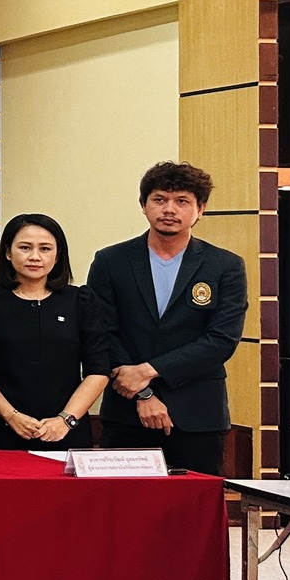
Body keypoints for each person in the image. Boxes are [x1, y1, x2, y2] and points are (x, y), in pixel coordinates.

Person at [86, 160, 247, 474]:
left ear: (200, 209)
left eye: (182, 201)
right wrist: (143, 393)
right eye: (159, 199)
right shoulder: (110, 261)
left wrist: (147, 371)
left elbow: (220, 341)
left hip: (197, 414)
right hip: (126, 412)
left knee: (193, 502)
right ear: (144, 206)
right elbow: (101, 332)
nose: (169, 209)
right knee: (124, 501)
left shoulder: (225, 266)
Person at [0, 214, 112, 451]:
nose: (35, 256)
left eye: (45, 249)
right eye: (25, 247)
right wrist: (11, 416)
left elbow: (98, 370)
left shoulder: (80, 301)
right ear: (8, 252)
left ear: (58, 254)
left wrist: (65, 420)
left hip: (66, 432)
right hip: (1, 429)